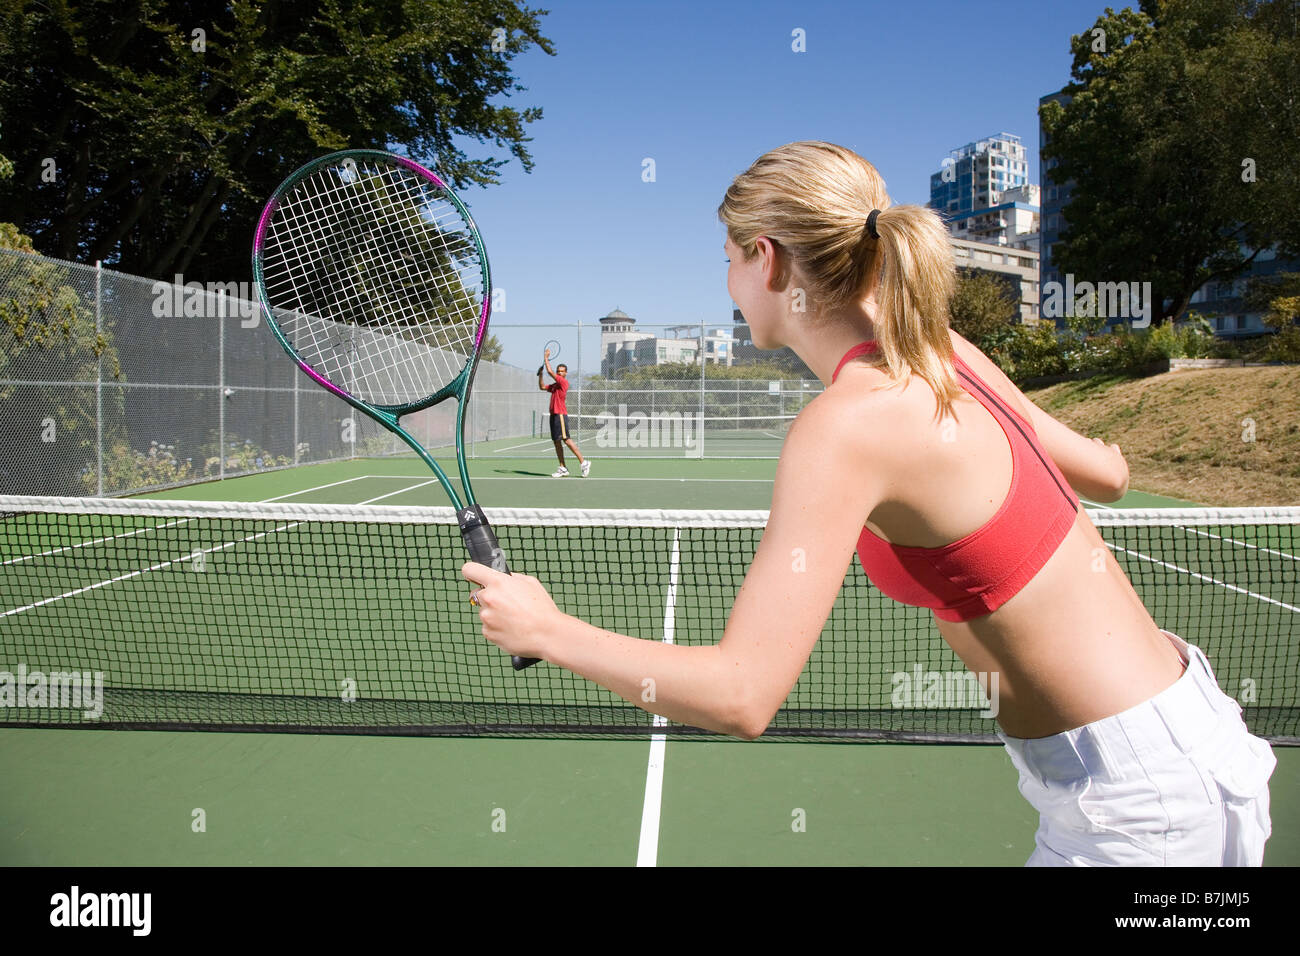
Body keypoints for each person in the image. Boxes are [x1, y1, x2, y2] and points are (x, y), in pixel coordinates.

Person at [467, 142, 1275, 866]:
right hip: (1191, 741)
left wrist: (549, 629)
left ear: (769, 260)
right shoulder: (942, 350)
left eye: (728, 257)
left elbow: (743, 695)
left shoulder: (845, 425)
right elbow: (1105, 475)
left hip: (1141, 817)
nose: (726, 283)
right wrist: (1111, 447)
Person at [538, 349, 590, 478]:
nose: (560, 373)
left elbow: (549, 371)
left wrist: (546, 358)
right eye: (559, 371)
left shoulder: (563, 383)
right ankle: (563, 467)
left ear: (565, 373)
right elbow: (542, 387)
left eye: (562, 371)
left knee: (566, 440)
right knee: (557, 442)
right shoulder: (555, 385)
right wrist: (540, 375)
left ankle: (584, 463)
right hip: (553, 416)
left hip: (560, 415)